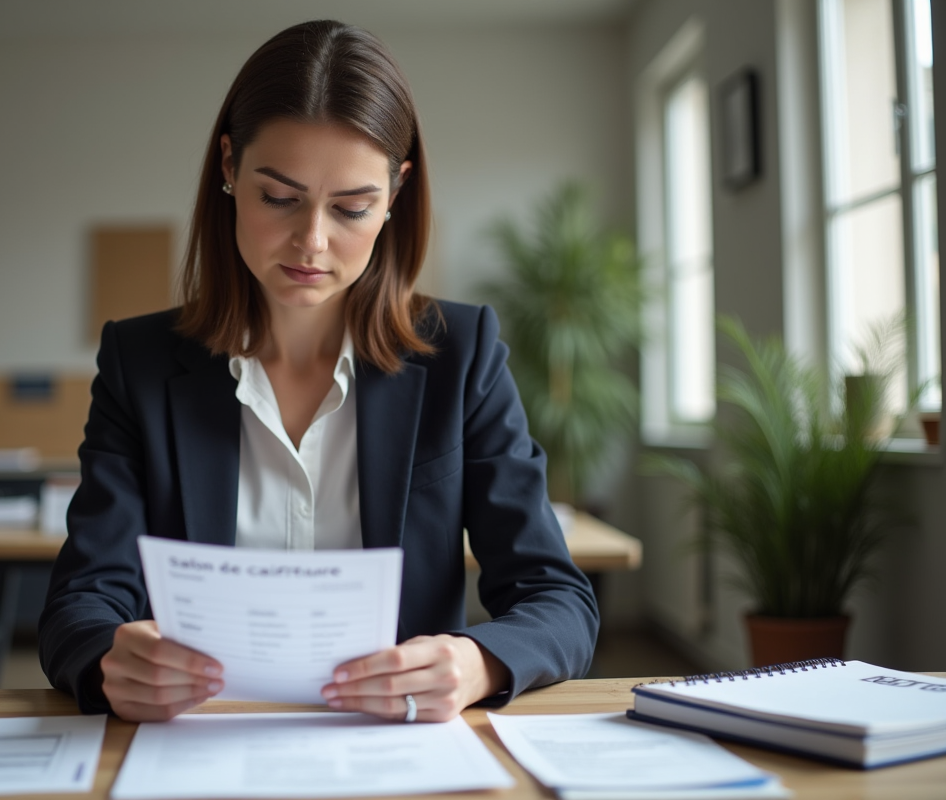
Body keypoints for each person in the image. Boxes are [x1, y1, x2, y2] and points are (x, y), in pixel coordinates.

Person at [39, 19, 598, 724]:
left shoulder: (462, 354)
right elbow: (80, 602)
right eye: (279, 198)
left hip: (393, 749)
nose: (312, 241)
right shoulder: (139, 363)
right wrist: (108, 660)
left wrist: (475, 663)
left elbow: (558, 599)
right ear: (227, 168)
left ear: (396, 193)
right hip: (195, 747)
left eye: (352, 208)